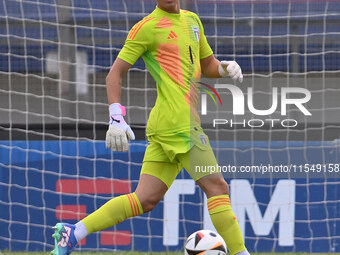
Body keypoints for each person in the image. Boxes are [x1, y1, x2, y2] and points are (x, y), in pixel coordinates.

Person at [51, 0, 248, 254]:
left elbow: (207, 65)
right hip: (180, 126)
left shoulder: (192, 21)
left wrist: (224, 67)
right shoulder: (147, 27)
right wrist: (115, 116)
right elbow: (114, 74)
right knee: (217, 187)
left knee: (144, 199)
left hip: (167, 127)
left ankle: (73, 233)